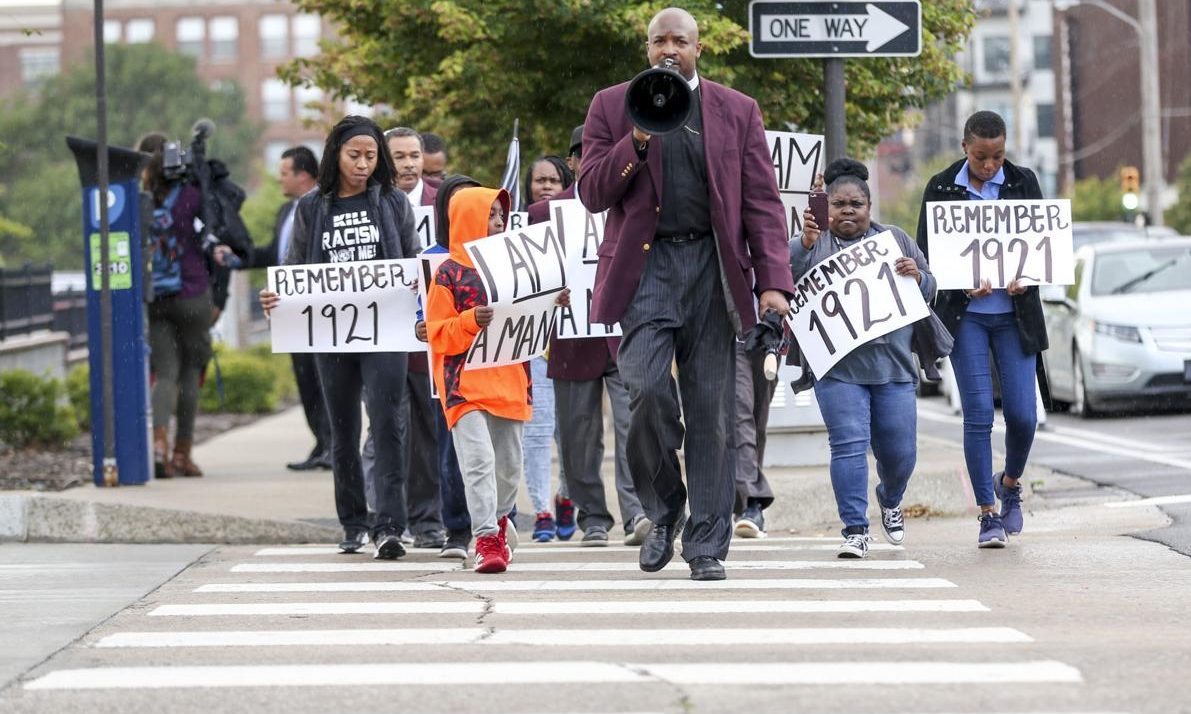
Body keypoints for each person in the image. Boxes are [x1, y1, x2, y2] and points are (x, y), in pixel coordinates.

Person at [579, 7, 794, 581]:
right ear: (646, 48)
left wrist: (773, 283)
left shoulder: (737, 109)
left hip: (712, 267)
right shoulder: (611, 105)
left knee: (713, 416)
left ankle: (706, 545)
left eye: (680, 41)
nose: (668, 49)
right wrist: (639, 137)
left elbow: (762, 204)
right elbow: (593, 193)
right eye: (658, 41)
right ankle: (665, 506)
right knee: (645, 392)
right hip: (646, 269)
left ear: (698, 49)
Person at [259, 115, 419, 559]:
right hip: (330, 336)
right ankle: (352, 523)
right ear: (336, 155)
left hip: (385, 333)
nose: (363, 164)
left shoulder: (393, 203)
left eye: (371, 156)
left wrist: (416, 285)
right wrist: (276, 298)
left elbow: (412, 260)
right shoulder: (311, 207)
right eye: (355, 155)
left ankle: (389, 525)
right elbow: (293, 270)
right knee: (342, 430)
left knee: (388, 425)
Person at [915, 110, 1049, 548]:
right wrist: (959, 285)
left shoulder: (1024, 182)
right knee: (977, 416)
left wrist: (1027, 276)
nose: (990, 166)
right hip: (967, 317)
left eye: (997, 156)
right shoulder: (940, 187)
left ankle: (1009, 484)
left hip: (1015, 316)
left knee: (1024, 417)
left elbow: (1043, 248)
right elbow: (926, 258)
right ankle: (988, 517)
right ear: (964, 148)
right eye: (980, 157)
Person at [791, 158, 937, 558]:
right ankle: (855, 529)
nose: (848, 211)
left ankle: (890, 498)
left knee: (900, 453)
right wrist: (803, 244)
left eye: (856, 204)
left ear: (870, 207)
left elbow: (930, 288)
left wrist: (919, 277)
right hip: (839, 371)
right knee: (848, 445)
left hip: (894, 369)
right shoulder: (813, 243)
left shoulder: (895, 239)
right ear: (827, 209)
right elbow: (785, 277)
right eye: (839, 204)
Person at [425, 185, 570, 573]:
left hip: (509, 381)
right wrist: (472, 320)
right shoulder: (448, 274)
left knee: (508, 467)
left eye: (501, 215)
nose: (498, 221)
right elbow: (438, 334)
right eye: (490, 215)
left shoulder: (516, 267)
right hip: (463, 386)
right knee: (478, 463)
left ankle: (501, 520)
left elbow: (532, 316)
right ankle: (487, 538)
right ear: (467, 218)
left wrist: (553, 302)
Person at [527, 133, 647, 547]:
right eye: (587, 155)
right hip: (571, 338)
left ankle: (637, 514)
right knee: (577, 435)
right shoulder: (543, 213)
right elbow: (529, 277)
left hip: (624, 333)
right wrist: (548, 296)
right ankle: (592, 516)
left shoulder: (636, 201)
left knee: (634, 427)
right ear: (573, 162)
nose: (597, 161)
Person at [355, 126, 445, 549]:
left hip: (434, 337)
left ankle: (428, 521)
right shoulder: (367, 206)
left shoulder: (444, 200)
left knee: (428, 432)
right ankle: (384, 517)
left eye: (415, 156)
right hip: (386, 335)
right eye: (400, 157)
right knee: (387, 430)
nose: (409, 164)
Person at [215, 146, 329, 472]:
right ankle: (321, 443)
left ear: (303, 176)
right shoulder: (285, 212)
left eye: (284, 173)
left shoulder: (324, 206)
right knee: (305, 379)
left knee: (325, 381)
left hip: (317, 308)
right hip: (289, 310)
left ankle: (335, 448)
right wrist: (238, 259)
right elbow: (275, 254)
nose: (280, 179)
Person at [137, 133, 212, 479]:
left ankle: (158, 448)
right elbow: (215, 225)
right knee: (190, 372)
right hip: (193, 291)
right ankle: (183, 452)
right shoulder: (191, 196)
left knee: (164, 374)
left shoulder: (139, 200)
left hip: (156, 297)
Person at [520, 155, 577, 542]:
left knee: (572, 434)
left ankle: (567, 498)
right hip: (535, 346)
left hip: (574, 343)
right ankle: (541, 510)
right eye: (538, 180)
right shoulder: (515, 232)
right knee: (538, 432)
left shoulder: (581, 226)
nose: (545, 186)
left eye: (553, 180)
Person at [427, 174, 483, 559]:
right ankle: (458, 530)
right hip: (455, 375)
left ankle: (495, 523)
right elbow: (426, 315)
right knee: (453, 455)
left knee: (493, 456)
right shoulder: (434, 260)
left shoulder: (502, 255)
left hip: (497, 374)